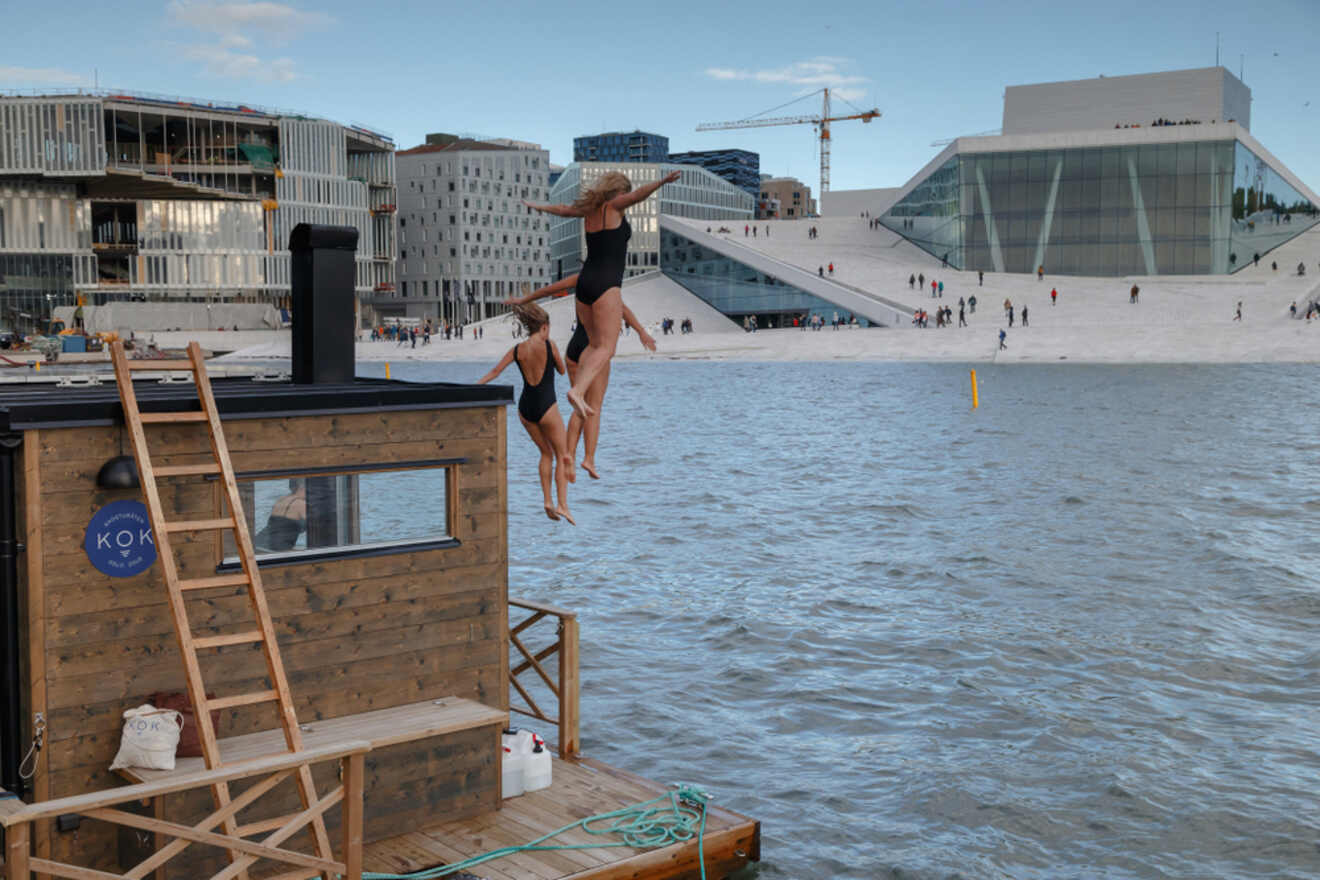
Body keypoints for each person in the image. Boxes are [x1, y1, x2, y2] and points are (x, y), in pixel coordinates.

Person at [523, 168, 680, 419]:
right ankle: (578, 391)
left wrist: (538, 207)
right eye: (624, 193)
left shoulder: (588, 211)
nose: (625, 198)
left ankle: (579, 394)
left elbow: (562, 210)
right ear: (618, 190)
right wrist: (662, 181)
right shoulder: (613, 207)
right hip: (606, 283)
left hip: (585, 283)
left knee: (596, 343)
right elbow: (638, 195)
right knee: (607, 348)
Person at [506, 273, 655, 481]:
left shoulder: (582, 278)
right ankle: (588, 458)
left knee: (580, 406)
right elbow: (622, 309)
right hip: (593, 348)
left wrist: (526, 299)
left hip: (574, 348)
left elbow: (551, 289)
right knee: (593, 406)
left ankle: (569, 458)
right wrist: (641, 331)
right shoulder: (606, 283)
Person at [476, 303, 574, 524]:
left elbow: (495, 372)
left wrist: (474, 387)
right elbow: (561, 370)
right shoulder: (549, 345)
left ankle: (547, 501)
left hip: (525, 409)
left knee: (545, 454)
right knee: (561, 455)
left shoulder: (518, 349)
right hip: (547, 406)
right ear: (544, 327)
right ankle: (562, 505)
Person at [255, 480, 306, 552]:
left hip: (259, 544)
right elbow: (315, 525)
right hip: (276, 549)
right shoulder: (300, 503)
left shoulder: (281, 500)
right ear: (302, 487)